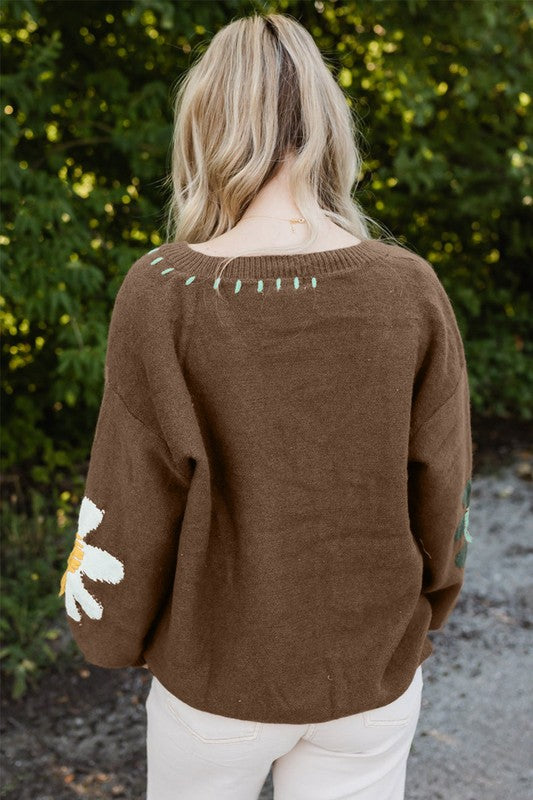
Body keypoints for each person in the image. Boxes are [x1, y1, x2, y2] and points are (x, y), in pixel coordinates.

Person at [59, 11, 473, 800]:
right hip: (369, 675)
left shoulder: (165, 290)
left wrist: (108, 630)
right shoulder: (407, 287)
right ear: (324, 125)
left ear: (205, 127)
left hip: (216, 680)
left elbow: (130, 490)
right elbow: (443, 481)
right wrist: (432, 604)